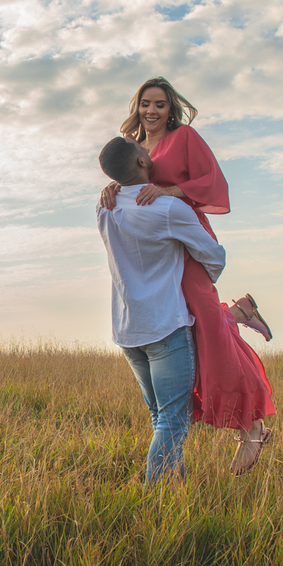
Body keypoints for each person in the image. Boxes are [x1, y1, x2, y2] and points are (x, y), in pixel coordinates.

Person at [101, 77, 275, 475]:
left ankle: (252, 425)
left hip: (182, 232)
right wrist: (113, 189)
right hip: (155, 246)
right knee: (191, 329)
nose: (152, 111)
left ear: (171, 108)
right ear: (136, 106)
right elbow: (129, 179)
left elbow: (213, 183)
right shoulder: (133, 148)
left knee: (207, 327)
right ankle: (240, 312)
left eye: (160, 104)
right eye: (146, 103)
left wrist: (171, 192)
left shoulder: (185, 139)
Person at [96, 136, 227, 485]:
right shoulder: (168, 209)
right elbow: (215, 257)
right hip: (165, 326)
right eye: (140, 148)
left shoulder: (104, 208)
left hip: (127, 330)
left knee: (161, 419)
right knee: (173, 421)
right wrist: (196, 281)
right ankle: (154, 504)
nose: (146, 147)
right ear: (141, 162)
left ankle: (176, 491)